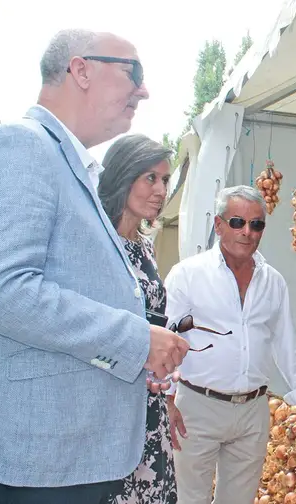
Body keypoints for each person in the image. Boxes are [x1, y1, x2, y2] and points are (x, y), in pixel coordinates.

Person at [0, 29, 190, 504]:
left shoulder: (66, 165)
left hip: (61, 459)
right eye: (132, 72)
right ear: (81, 70)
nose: (144, 90)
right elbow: (3, 291)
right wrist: (135, 339)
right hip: (34, 463)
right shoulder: (21, 147)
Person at [163, 185, 296, 504]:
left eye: (256, 224)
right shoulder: (187, 275)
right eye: (237, 222)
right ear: (218, 225)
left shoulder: (273, 282)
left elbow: (287, 343)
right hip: (197, 408)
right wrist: (167, 400)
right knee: (189, 499)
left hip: (253, 410)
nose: (247, 232)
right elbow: (166, 339)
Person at [98, 133, 178, 504]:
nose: (161, 190)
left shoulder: (145, 247)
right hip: (106, 412)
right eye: (150, 178)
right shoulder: (95, 243)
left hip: (149, 411)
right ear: (122, 177)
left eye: (165, 180)